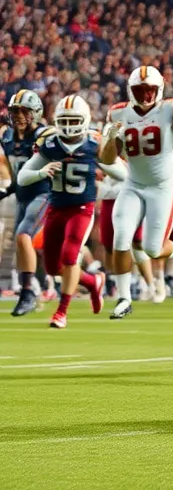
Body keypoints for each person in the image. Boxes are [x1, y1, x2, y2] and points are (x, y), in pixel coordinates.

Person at [99, 65, 173, 318]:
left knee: (152, 248)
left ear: (159, 89)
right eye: (140, 91)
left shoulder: (169, 108)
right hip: (133, 184)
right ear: (131, 90)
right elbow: (107, 159)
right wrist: (110, 138)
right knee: (121, 237)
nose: (146, 96)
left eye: (150, 90)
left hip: (163, 186)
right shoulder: (119, 112)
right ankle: (123, 297)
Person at [17, 96, 122, 328]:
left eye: (73, 120)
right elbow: (23, 176)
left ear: (84, 120)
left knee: (70, 256)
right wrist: (41, 172)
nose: (68, 126)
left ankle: (61, 312)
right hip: (56, 208)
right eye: (64, 120)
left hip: (82, 209)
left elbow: (123, 176)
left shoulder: (95, 144)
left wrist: (102, 191)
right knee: (54, 267)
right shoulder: (50, 144)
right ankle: (93, 282)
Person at [1, 90, 51, 316]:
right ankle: (91, 280)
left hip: (43, 193)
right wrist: (7, 189)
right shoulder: (8, 136)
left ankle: (29, 292)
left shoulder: (46, 135)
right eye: (15, 111)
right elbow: (15, 170)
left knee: (23, 235)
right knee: (25, 249)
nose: (19, 116)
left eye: (24, 111)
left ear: (36, 113)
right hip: (22, 195)